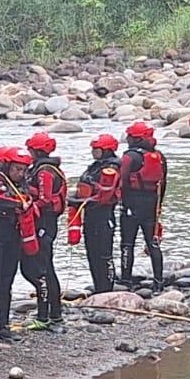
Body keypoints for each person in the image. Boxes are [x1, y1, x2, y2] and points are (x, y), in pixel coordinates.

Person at [0, 147, 40, 344]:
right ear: (7, 166)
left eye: (23, 170)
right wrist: (16, 204)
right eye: (16, 169)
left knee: (7, 283)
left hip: (13, 237)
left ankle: (4, 327)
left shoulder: (22, 185)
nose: (20, 173)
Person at [23, 133, 67, 332]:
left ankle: (47, 315)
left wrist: (25, 205)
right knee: (44, 268)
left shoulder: (44, 172)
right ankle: (53, 313)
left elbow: (45, 199)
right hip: (46, 223)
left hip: (44, 223)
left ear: (36, 150)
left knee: (43, 269)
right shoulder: (48, 168)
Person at [118, 121, 167, 290]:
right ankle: (159, 281)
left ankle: (125, 280)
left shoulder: (129, 156)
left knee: (127, 244)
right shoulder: (159, 156)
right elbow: (163, 182)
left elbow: (122, 181)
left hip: (132, 203)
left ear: (135, 139)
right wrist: (159, 205)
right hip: (152, 203)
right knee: (153, 243)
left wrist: (121, 201)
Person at [71, 134, 122, 293]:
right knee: (92, 252)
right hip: (91, 214)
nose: (93, 152)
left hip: (103, 215)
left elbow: (103, 197)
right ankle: (98, 285)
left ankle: (106, 288)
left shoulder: (111, 169)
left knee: (104, 254)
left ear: (106, 150)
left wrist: (79, 202)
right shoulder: (95, 166)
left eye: (96, 149)